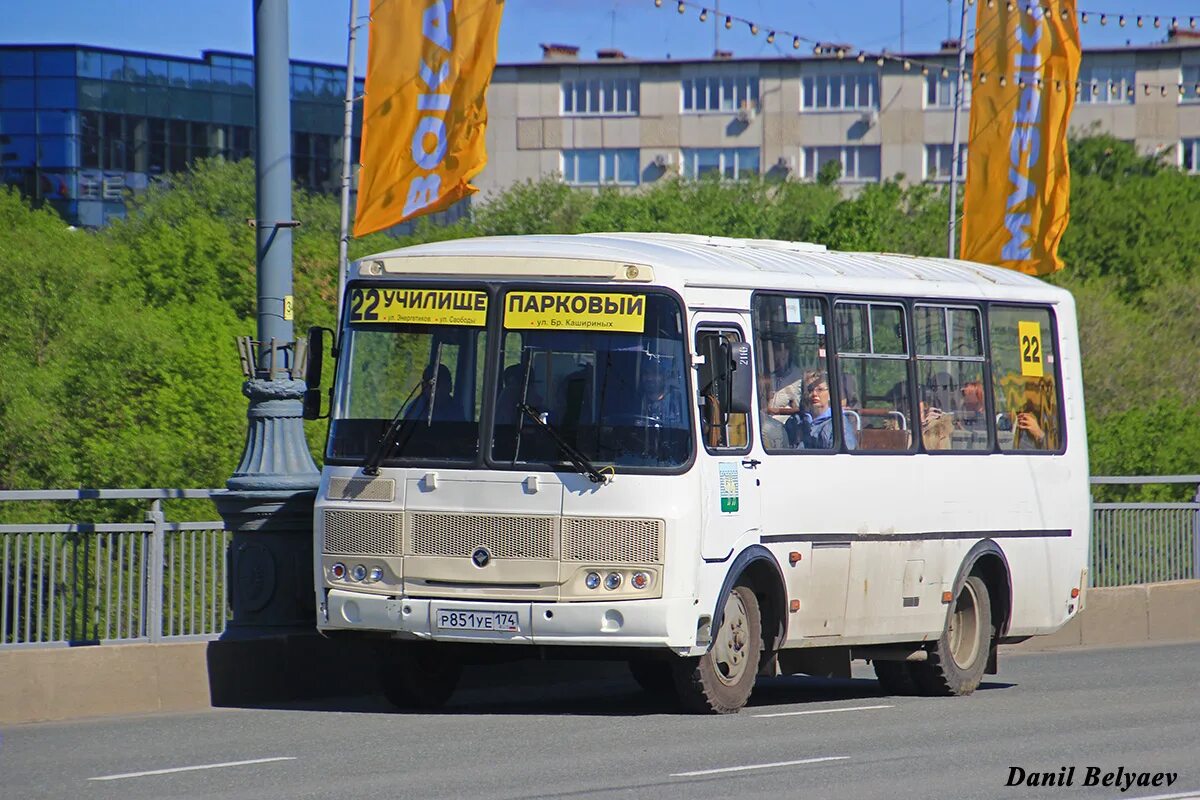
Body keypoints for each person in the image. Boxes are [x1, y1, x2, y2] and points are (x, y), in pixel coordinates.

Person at [797, 370, 857, 450]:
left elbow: (844, 456)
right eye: (810, 389)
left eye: (820, 390)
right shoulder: (797, 421)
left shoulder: (839, 423)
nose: (814, 394)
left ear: (830, 394)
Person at [763, 337, 805, 424]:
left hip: (785, 424)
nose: (778, 355)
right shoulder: (767, 373)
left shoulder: (796, 376)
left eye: (782, 351)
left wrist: (777, 410)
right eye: (776, 351)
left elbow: (798, 409)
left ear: (788, 353)